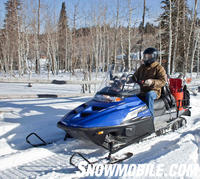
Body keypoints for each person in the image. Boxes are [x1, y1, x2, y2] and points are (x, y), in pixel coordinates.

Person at [129, 47, 166, 117]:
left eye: (148, 56)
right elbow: (134, 77)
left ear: (153, 57)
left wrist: (151, 82)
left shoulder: (159, 68)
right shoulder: (142, 67)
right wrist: (126, 79)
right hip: (140, 90)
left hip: (154, 91)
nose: (146, 58)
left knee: (149, 95)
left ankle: (150, 118)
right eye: (145, 56)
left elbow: (163, 81)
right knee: (129, 95)